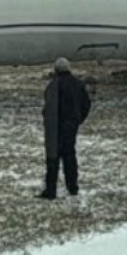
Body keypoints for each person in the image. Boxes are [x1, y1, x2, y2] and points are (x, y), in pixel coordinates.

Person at [39, 57, 91, 199]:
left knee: (53, 158)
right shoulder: (78, 84)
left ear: (56, 70)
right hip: (71, 127)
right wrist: (78, 120)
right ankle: (73, 187)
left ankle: (51, 190)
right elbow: (86, 104)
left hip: (56, 127)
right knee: (70, 157)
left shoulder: (53, 85)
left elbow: (48, 108)